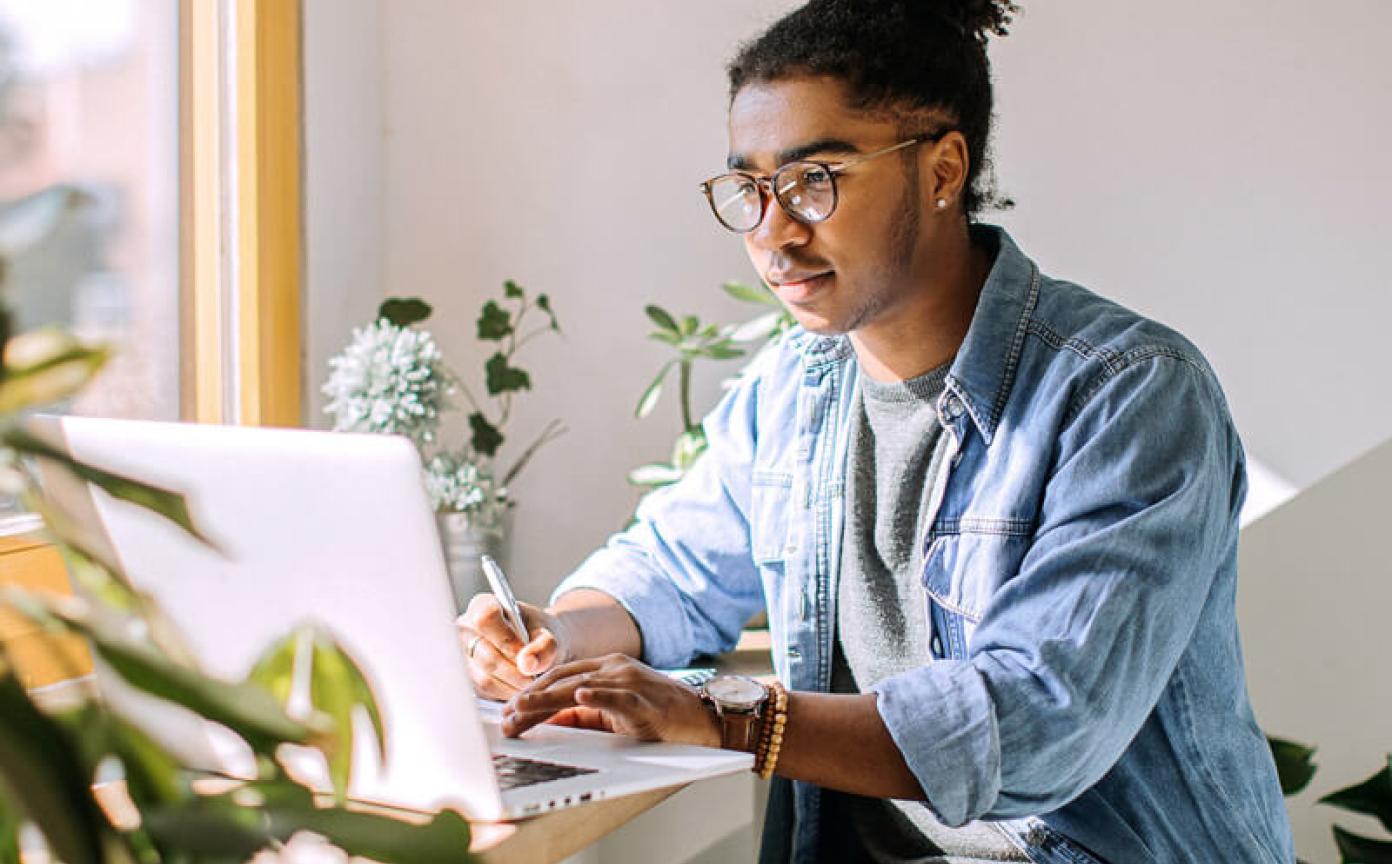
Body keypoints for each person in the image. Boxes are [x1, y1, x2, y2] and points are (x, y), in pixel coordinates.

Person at [458, 1, 1295, 861]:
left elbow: (1038, 719)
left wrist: (727, 719)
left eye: (814, 179)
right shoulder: (796, 388)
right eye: (748, 189)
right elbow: (670, 567)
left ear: (942, 170)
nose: (774, 231)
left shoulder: (1130, 394)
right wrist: (555, 635)